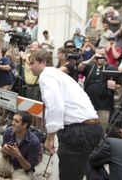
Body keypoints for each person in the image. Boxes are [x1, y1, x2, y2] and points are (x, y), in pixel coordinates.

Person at [29, 50, 103, 180]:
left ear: (43, 62)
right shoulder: (57, 74)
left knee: (70, 176)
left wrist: (50, 137)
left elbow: (55, 106)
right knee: (84, 171)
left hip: (79, 131)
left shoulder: (46, 75)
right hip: (89, 129)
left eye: (32, 63)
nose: (30, 67)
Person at [78, 47, 118, 133]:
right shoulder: (90, 67)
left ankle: (100, 145)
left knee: (102, 128)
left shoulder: (111, 68)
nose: (100, 58)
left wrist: (115, 86)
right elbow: (79, 68)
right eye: (98, 55)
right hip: (88, 104)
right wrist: (91, 59)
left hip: (104, 105)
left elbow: (118, 85)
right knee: (87, 127)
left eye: (103, 55)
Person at [0, 112, 41, 180]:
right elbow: (4, 156)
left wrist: (18, 155)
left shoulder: (34, 142)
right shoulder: (8, 131)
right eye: (13, 120)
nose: (12, 123)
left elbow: (28, 168)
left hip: (22, 169)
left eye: (16, 121)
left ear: (24, 125)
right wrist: (4, 150)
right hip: (7, 161)